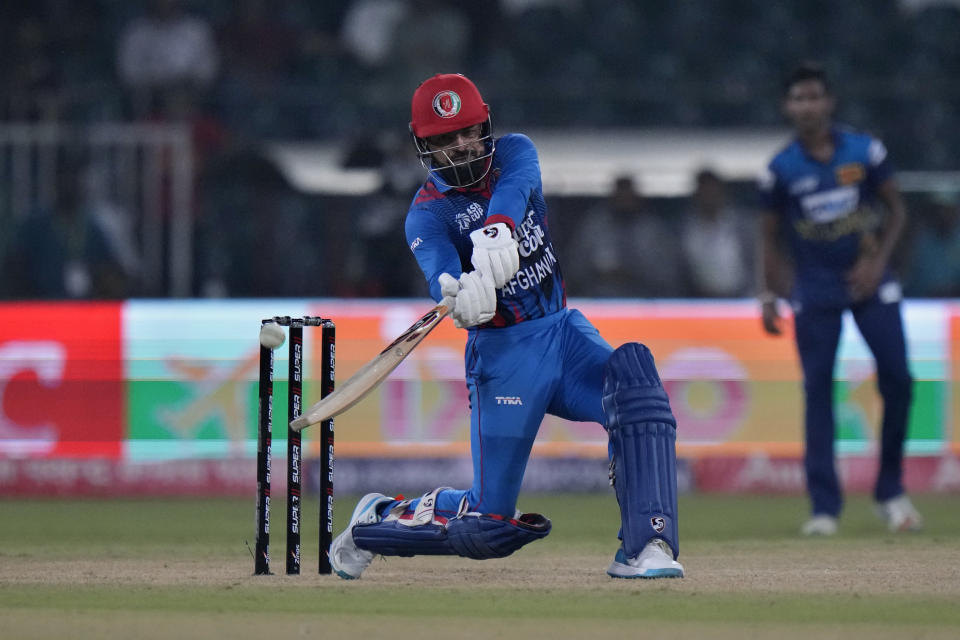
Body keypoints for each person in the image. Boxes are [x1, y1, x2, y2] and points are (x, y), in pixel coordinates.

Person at [329, 73, 684, 580]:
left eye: (468, 132)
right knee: (488, 527)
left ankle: (647, 546)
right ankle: (378, 519)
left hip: (563, 336)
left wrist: (497, 231)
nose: (461, 146)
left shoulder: (516, 151)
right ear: (423, 147)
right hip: (503, 358)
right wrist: (458, 297)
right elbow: (439, 275)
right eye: (444, 140)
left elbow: (515, 189)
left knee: (636, 383)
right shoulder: (426, 215)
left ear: (485, 126)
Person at [757, 62, 921, 536]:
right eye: (798, 99)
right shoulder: (780, 169)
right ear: (788, 108)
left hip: (870, 282)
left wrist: (878, 262)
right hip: (815, 287)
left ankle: (891, 491)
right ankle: (824, 508)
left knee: (899, 380)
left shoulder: (864, 151)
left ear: (829, 102)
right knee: (818, 393)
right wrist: (769, 291)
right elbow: (767, 237)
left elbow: (897, 209)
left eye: (814, 97)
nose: (807, 106)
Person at [567, 174, 688, 297]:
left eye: (628, 194)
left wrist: (633, 274)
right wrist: (601, 274)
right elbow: (575, 269)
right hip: (600, 300)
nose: (624, 199)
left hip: (646, 302)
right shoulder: (595, 225)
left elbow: (669, 275)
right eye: (621, 193)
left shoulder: (653, 230)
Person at [680, 168, 755, 298]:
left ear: (722, 192)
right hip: (700, 299)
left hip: (740, 296)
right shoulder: (685, 228)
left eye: (712, 191)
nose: (709, 196)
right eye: (705, 192)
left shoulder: (742, 224)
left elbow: (756, 261)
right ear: (697, 195)